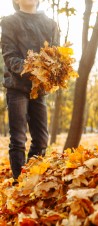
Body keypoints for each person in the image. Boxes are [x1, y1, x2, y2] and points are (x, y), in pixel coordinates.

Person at [1, 0, 60, 182]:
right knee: (18, 139)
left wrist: (51, 71)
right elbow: (9, 56)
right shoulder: (9, 22)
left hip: (39, 89)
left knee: (42, 139)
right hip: (16, 86)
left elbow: (56, 56)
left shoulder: (50, 24)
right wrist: (31, 69)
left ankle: (31, 178)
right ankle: (20, 184)